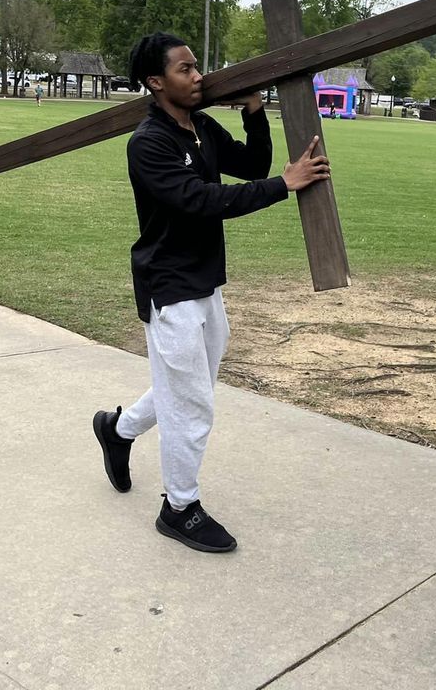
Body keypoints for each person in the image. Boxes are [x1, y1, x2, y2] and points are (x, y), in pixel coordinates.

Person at [91, 32, 330, 554]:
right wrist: (284, 187)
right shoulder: (149, 143)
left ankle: (118, 430)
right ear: (156, 83)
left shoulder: (199, 126)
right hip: (169, 286)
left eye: (196, 67)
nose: (197, 76)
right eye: (185, 69)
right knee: (192, 403)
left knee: (190, 386)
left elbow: (249, 166)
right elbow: (199, 200)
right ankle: (179, 508)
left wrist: (252, 112)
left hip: (205, 281)